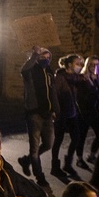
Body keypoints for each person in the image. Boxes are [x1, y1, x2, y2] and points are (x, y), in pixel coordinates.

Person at [18, 47, 58, 187]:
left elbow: (52, 92)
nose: (45, 59)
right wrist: (35, 54)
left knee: (48, 144)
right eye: (42, 57)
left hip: (47, 114)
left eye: (47, 57)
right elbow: (24, 69)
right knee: (34, 148)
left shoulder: (49, 72)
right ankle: (39, 176)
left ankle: (26, 160)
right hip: (34, 113)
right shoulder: (30, 72)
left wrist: (55, 109)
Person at [50, 54, 83, 180]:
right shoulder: (60, 77)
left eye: (80, 64)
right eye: (77, 63)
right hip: (61, 113)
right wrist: (54, 110)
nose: (80, 66)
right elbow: (54, 94)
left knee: (76, 137)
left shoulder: (75, 77)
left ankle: (68, 163)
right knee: (58, 139)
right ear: (69, 64)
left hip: (72, 112)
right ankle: (55, 166)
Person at [74, 55, 99, 166]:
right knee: (82, 136)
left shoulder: (95, 78)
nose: (94, 66)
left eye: (96, 64)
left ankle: (92, 155)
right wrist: (97, 94)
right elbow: (82, 97)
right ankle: (79, 158)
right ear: (87, 65)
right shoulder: (82, 78)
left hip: (94, 110)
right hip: (84, 111)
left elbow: (98, 93)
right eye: (91, 64)